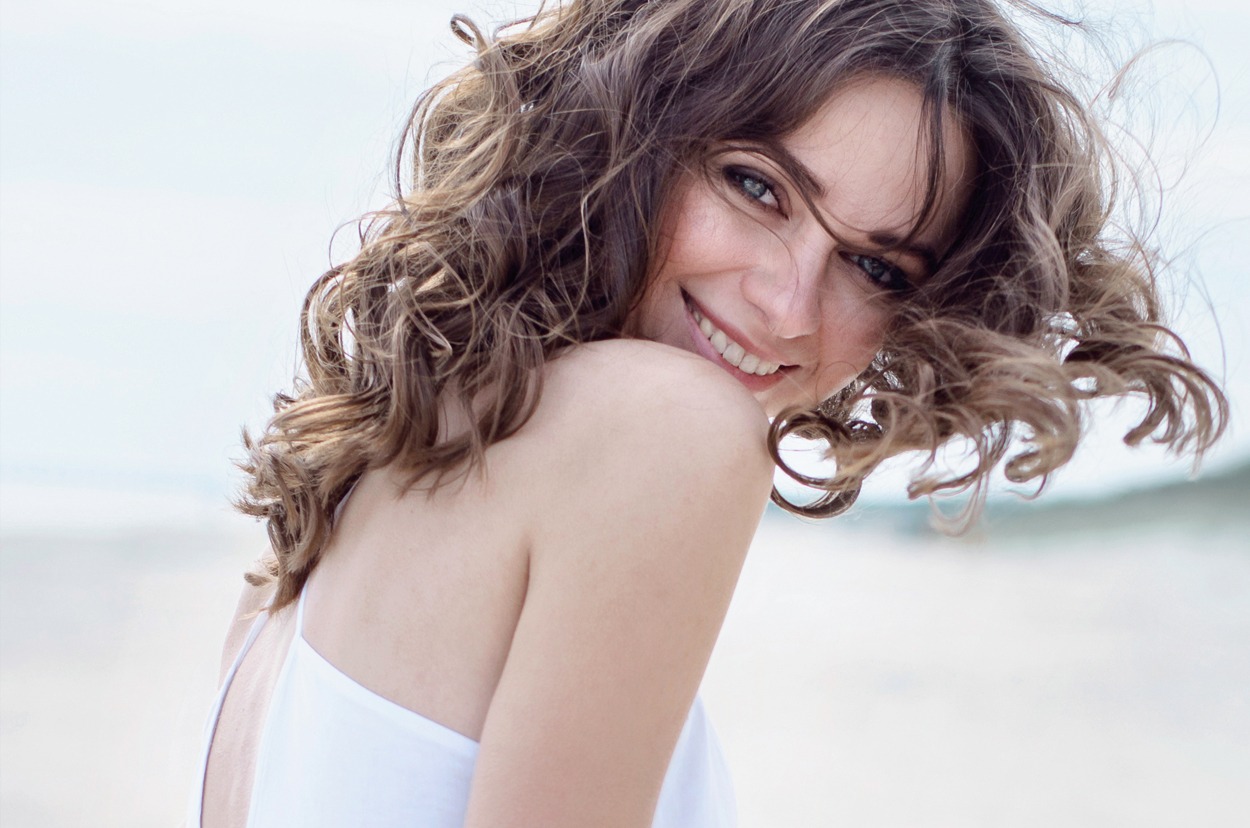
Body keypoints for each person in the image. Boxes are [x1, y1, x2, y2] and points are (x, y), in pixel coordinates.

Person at [188, 0, 1227, 825]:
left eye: (871, 265)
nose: (786, 304)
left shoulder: (317, 521)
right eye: (754, 186)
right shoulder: (667, 428)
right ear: (627, 127)